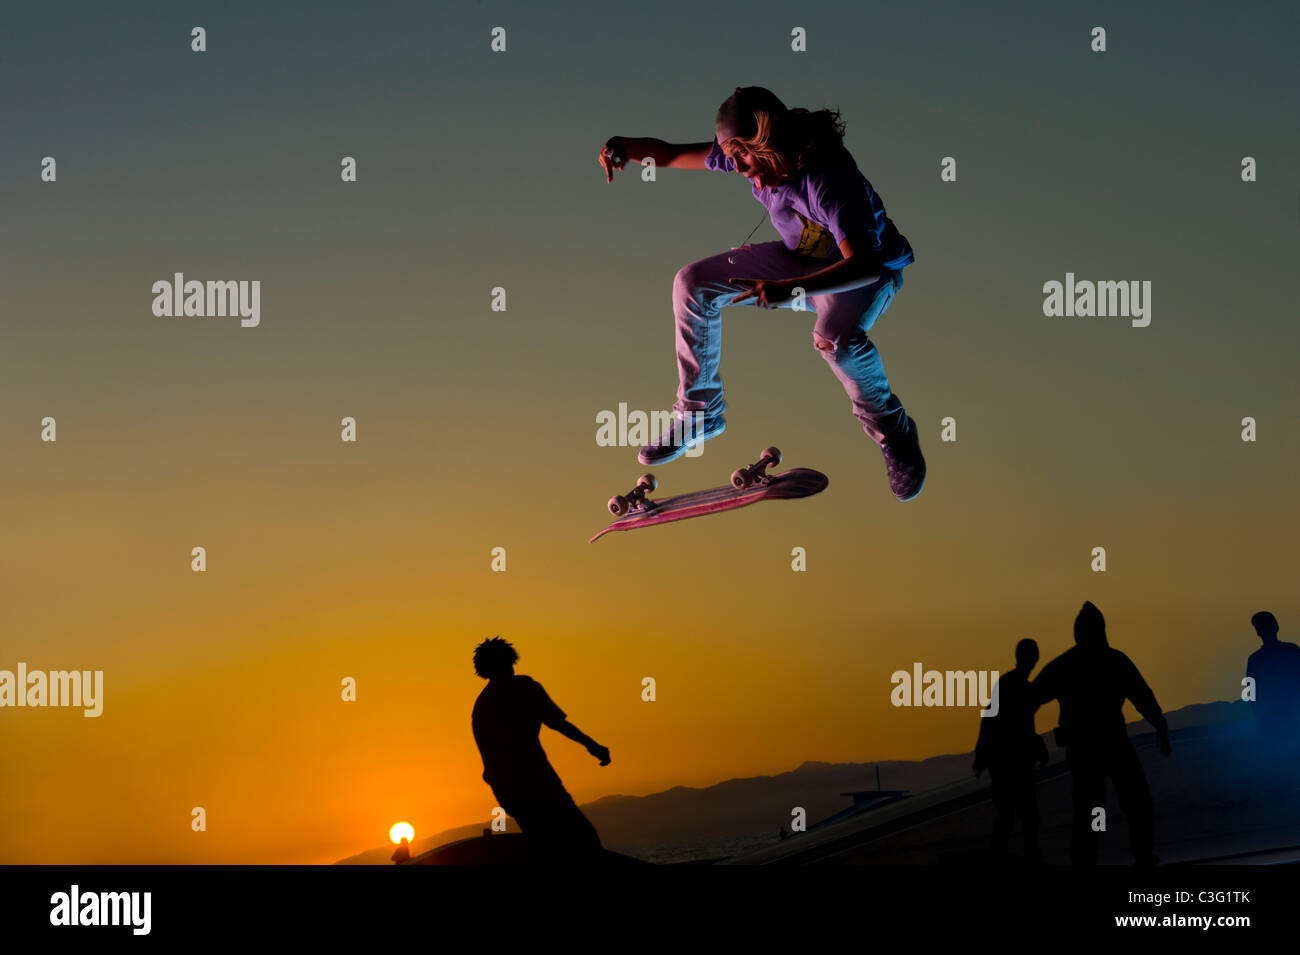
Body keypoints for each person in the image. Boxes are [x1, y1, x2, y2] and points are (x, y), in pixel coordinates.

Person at [599, 86, 925, 501]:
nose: (736, 169)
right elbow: (671, 153)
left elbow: (863, 264)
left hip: (864, 275)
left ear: (767, 141)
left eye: (742, 158)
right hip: (798, 262)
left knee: (835, 342)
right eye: (730, 158)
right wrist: (623, 146)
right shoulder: (743, 156)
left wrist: (790, 288)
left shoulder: (828, 177)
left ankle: (893, 432)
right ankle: (701, 413)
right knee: (692, 283)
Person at [1031, 602, 1171, 865]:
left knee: (1089, 808)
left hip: (1083, 747)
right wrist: (1159, 724)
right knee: (1136, 803)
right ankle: (1142, 856)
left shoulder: (1064, 665)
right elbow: (1143, 697)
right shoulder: (1115, 660)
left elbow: (1029, 701)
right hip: (1114, 742)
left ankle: (1086, 862)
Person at [470, 636, 611, 857]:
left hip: (506, 789)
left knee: (545, 846)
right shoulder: (523, 687)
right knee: (584, 838)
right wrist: (592, 745)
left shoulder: (481, 705)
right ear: (508, 662)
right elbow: (557, 723)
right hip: (538, 781)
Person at [973, 638, 1049, 862]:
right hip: (1014, 764)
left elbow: (990, 722)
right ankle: (1026, 857)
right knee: (1025, 816)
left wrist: (981, 756)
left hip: (1004, 762)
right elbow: (1017, 727)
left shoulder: (1006, 684)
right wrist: (1038, 747)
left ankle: (1003, 855)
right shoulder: (1021, 688)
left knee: (1010, 815)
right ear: (1033, 659)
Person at [1245, 611, 1300, 744]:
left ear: (1258, 632)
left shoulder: (1255, 659)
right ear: (1276, 627)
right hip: (1285, 716)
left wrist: (1259, 716)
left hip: (1272, 719)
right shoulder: (1292, 650)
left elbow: (1251, 693)